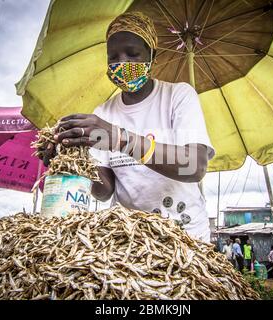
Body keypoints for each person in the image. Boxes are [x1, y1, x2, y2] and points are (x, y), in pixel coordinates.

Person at [38, 12, 215, 243]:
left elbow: (194, 166)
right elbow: (104, 191)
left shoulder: (178, 96)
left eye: (133, 54)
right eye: (113, 57)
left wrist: (120, 138)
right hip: (132, 240)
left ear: (153, 56)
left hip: (186, 235)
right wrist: (70, 163)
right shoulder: (103, 113)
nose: (122, 63)